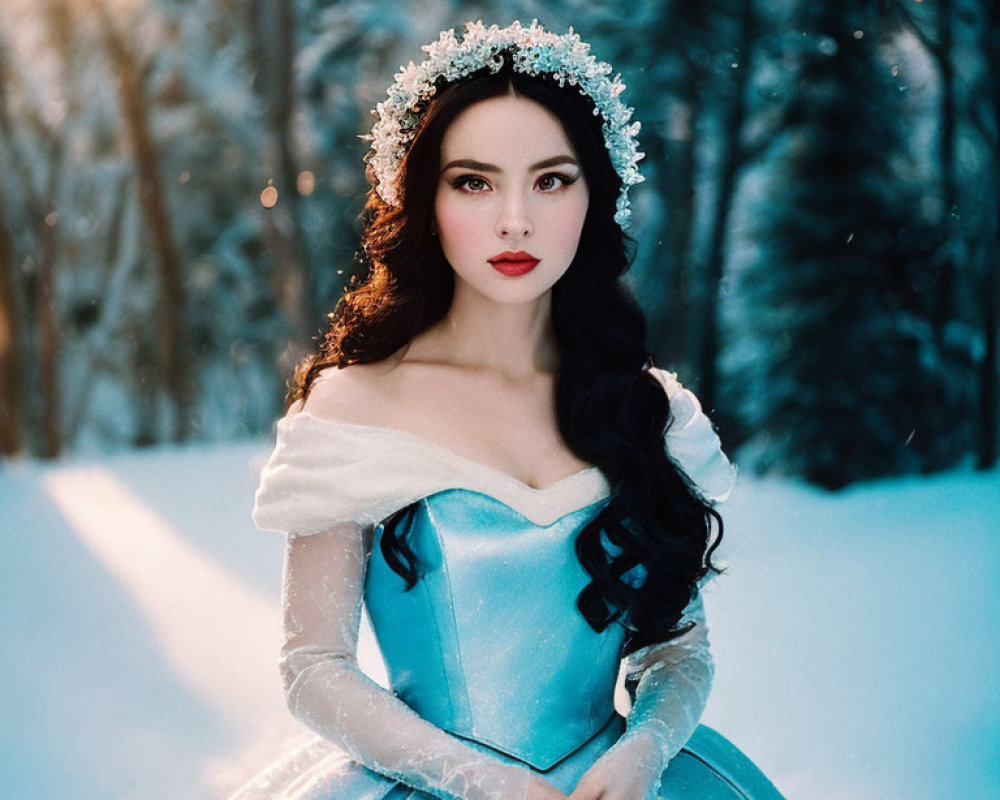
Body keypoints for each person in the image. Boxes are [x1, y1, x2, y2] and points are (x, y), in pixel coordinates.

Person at [234, 20, 785, 800]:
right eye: (474, 181)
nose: (515, 220)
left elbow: (678, 649)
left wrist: (644, 751)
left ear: (596, 197)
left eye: (551, 180)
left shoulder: (641, 409)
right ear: (424, 199)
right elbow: (313, 668)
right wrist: (480, 782)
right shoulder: (356, 404)